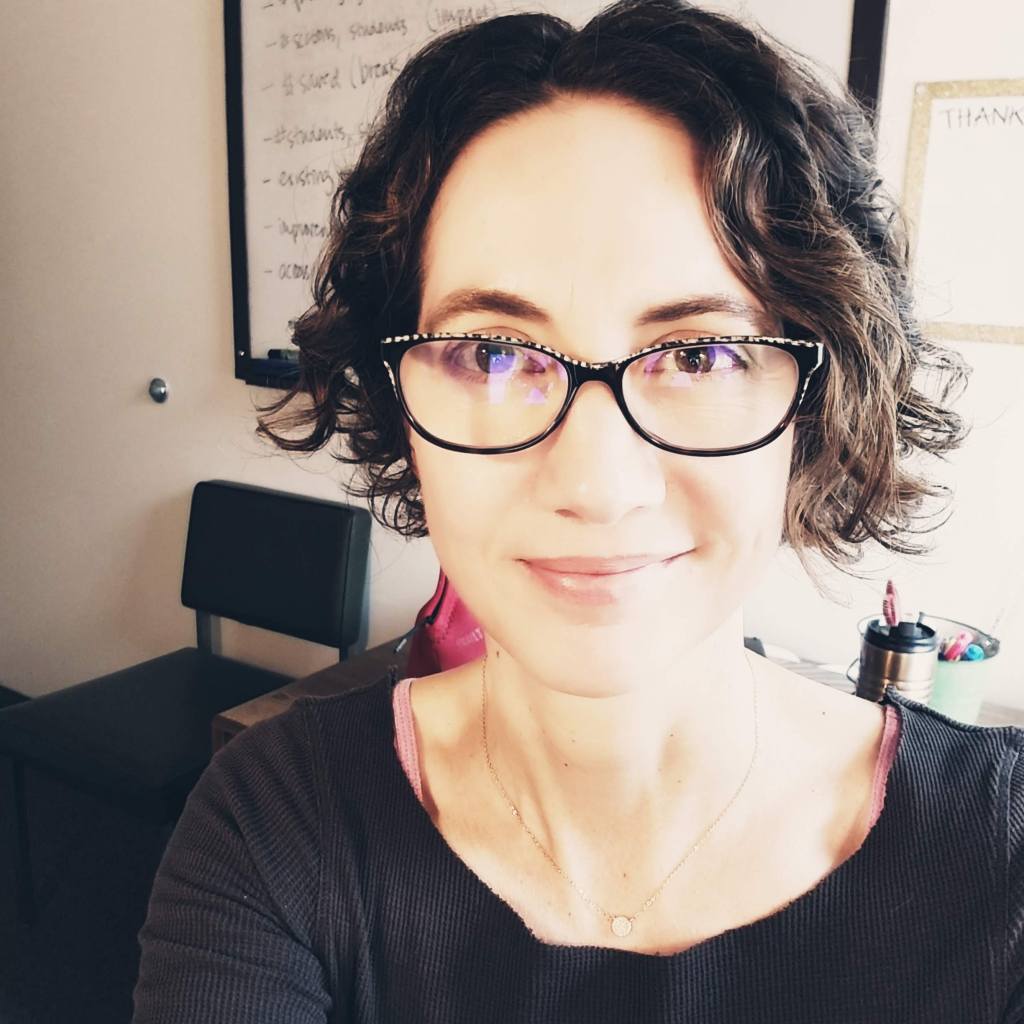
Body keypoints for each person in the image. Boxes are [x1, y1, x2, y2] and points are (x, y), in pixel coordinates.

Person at [132, 1, 1024, 1020]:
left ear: (816, 402)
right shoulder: (272, 825)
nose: (597, 483)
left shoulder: (1001, 859)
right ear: (401, 407)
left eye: (699, 353)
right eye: (492, 352)